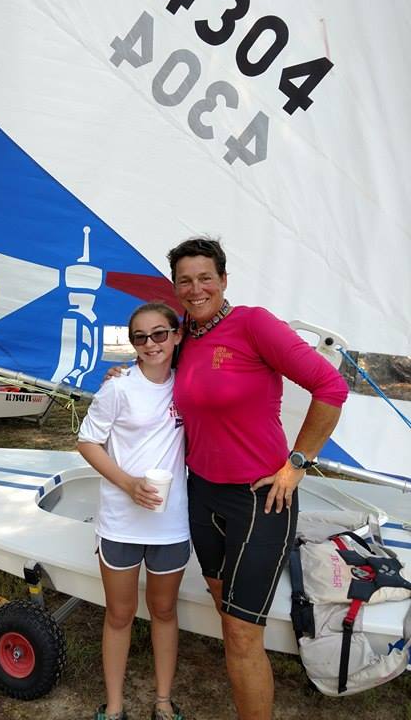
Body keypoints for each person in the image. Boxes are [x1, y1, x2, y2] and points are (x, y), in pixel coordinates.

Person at [167, 236, 349, 720]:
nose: (195, 287)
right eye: (184, 280)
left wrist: (298, 463)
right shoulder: (184, 338)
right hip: (201, 494)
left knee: (244, 632)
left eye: (205, 277)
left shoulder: (253, 324)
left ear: (224, 281)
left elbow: (331, 386)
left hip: (259, 499)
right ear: (176, 288)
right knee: (228, 620)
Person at [78, 302, 190, 720]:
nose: (150, 344)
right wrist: (127, 484)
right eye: (140, 337)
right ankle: (115, 705)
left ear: (177, 336)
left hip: (170, 523)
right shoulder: (118, 387)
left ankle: (162, 701)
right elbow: (87, 442)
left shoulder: (190, 386)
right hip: (121, 523)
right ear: (132, 344)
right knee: (120, 614)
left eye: (160, 334)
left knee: (164, 611)